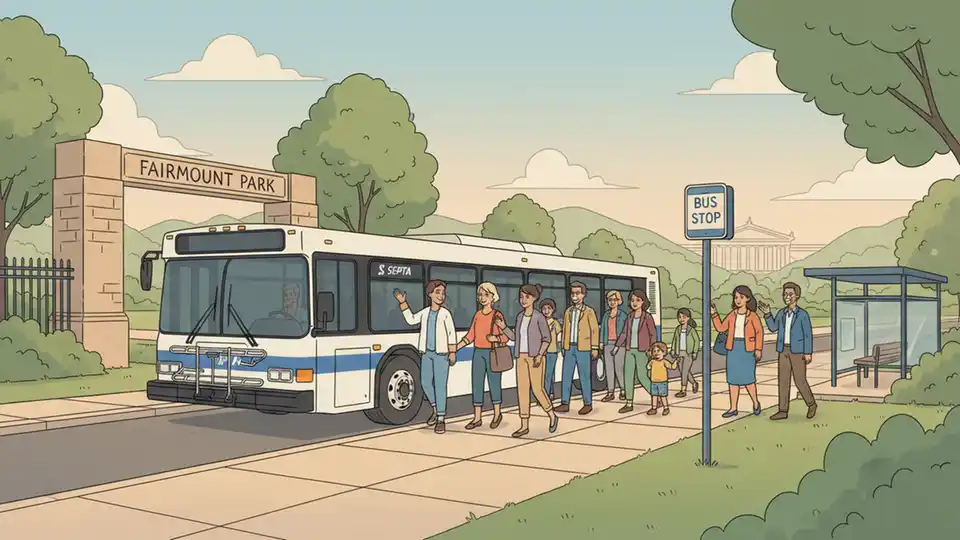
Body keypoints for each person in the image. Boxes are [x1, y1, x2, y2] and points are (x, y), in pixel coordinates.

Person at [496, 284, 560, 437]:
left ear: (534, 298)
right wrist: (504, 327)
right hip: (521, 357)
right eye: (521, 297)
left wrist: (539, 355)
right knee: (522, 391)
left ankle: (552, 415)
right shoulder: (519, 317)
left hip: (535, 358)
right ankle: (524, 425)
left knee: (538, 389)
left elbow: (547, 339)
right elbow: (515, 337)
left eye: (527, 297)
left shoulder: (539, 317)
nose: (523, 300)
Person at [395, 281, 458, 434]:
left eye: (443, 293)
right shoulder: (425, 313)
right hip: (427, 354)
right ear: (430, 294)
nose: (441, 296)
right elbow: (411, 320)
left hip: (441, 355)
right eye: (437, 292)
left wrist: (452, 352)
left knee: (440, 386)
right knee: (425, 383)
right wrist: (403, 303)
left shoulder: (445, 314)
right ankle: (435, 409)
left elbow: (451, 333)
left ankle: (441, 419)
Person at [759, 281, 818, 421]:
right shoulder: (781, 313)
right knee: (783, 381)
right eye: (785, 294)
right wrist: (767, 314)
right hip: (783, 350)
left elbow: (808, 334)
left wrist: (808, 352)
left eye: (790, 294)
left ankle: (811, 404)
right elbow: (773, 327)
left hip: (798, 352)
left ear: (797, 296)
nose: (787, 297)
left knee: (800, 380)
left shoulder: (803, 315)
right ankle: (783, 410)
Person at [455, 282, 506, 430]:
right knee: (477, 384)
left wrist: (495, 338)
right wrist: (457, 347)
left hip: (492, 353)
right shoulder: (477, 315)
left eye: (486, 295)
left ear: (493, 297)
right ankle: (477, 418)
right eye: (480, 295)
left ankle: (497, 414)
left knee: (494, 383)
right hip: (478, 353)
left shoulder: (497, 315)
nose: (482, 298)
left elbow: (505, 336)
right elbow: (471, 335)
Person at [711, 285, 764, 418]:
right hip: (733, 349)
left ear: (748, 299)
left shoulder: (753, 316)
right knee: (733, 380)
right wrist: (714, 314)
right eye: (736, 297)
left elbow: (759, 332)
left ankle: (755, 403)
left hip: (748, 350)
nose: (738, 300)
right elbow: (721, 328)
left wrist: (758, 349)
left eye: (741, 297)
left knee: (748, 379)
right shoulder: (732, 315)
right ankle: (733, 407)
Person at [558, 281, 600, 415]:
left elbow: (594, 330)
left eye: (577, 293)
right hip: (569, 348)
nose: (575, 296)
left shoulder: (589, 312)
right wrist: (563, 346)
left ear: (583, 295)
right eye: (572, 293)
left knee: (584, 376)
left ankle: (587, 403)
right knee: (566, 375)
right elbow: (565, 329)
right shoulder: (568, 312)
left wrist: (594, 348)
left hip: (584, 348)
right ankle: (565, 403)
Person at [613, 289, 657, 414]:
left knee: (642, 377)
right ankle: (629, 403)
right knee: (628, 376)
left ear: (643, 302)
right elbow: (624, 333)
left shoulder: (647, 317)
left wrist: (652, 350)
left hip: (642, 351)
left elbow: (653, 334)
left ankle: (656, 397)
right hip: (629, 350)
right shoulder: (630, 317)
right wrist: (617, 346)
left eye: (638, 300)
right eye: (632, 300)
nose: (634, 303)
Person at [600, 290, 628, 403]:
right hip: (608, 344)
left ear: (619, 301)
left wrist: (619, 345)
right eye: (610, 300)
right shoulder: (606, 315)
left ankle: (623, 390)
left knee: (619, 369)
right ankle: (610, 392)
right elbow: (603, 329)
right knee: (609, 369)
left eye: (615, 300)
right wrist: (601, 342)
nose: (612, 302)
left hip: (620, 345)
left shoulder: (623, 315)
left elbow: (625, 331)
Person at [670, 307, 700, 398]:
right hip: (679, 353)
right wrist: (673, 350)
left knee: (684, 372)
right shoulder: (678, 329)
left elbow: (697, 341)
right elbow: (675, 340)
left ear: (688, 318)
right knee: (683, 371)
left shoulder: (691, 330)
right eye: (680, 317)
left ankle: (683, 390)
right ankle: (694, 383)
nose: (681, 319)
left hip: (688, 354)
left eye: (684, 317)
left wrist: (695, 352)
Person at [540, 298, 562, 400]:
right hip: (542, 351)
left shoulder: (555, 323)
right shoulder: (540, 322)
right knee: (550, 373)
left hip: (552, 351)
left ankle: (546, 396)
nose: (546, 311)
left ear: (553, 310)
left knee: (547, 374)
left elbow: (559, 335)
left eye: (549, 308)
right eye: (544, 308)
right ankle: (551, 393)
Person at [646, 341, 677, 416]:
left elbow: (672, 367)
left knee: (663, 396)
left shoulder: (664, 362)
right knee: (654, 396)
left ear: (663, 352)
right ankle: (654, 408)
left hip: (662, 382)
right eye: (654, 351)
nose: (656, 353)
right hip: (654, 382)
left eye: (658, 351)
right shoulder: (652, 361)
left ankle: (666, 408)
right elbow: (648, 367)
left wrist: (676, 362)